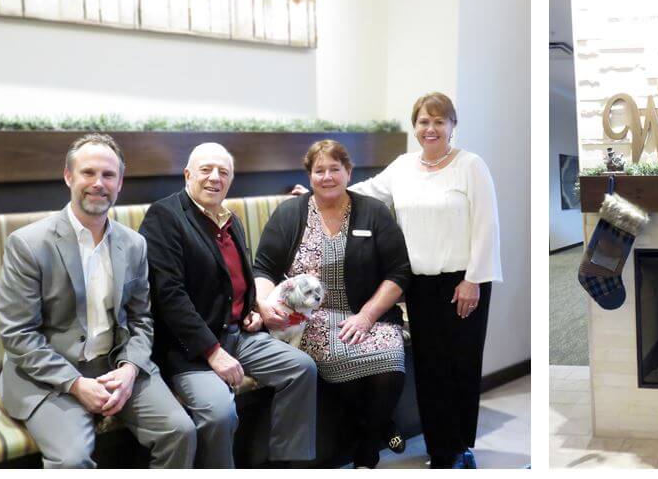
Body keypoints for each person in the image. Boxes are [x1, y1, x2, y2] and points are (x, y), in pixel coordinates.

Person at [0, 133, 196, 468]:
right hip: (49, 375)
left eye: (108, 175)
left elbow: (142, 319)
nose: (98, 183)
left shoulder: (134, 244)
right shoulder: (28, 244)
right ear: (68, 176)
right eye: (88, 173)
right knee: (72, 461)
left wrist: (130, 368)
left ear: (120, 183)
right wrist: (75, 383)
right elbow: (18, 334)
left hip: (115, 364)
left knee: (181, 430)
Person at [348, 92, 503, 468]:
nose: (430, 128)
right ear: (414, 126)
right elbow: (364, 193)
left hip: (463, 284)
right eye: (423, 121)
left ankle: (461, 445)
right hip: (419, 285)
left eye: (439, 121)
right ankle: (440, 450)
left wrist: (473, 280)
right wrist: (320, 190)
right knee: (431, 370)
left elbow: (487, 225)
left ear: (452, 125)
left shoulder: (471, 166)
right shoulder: (402, 167)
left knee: (461, 366)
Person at [139, 142, 316, 468]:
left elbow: (236, 277)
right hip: (189, 348)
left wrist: (253, 307)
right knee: (220, 412)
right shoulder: (165, 216)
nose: (214, 178)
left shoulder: (228, 218)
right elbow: (168, 295)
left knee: (302, 368)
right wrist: (213, 352)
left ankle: (288, 463)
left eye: (223, 172)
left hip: (237, 334)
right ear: (188, 174)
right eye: (206, 170)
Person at [254, 140, 412, 469]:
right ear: (310, 176)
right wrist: (265, 304)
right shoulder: (289, 214)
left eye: (334, 169)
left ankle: (368, 443)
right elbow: (263, 268)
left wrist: (367, 317)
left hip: (368, 313)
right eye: (319, 170)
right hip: (309, 319)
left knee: (391, 354)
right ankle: (379, 425)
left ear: (348, 172)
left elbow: (398, 272)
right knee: (336, 357)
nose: (327, 177)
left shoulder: (372, 211)